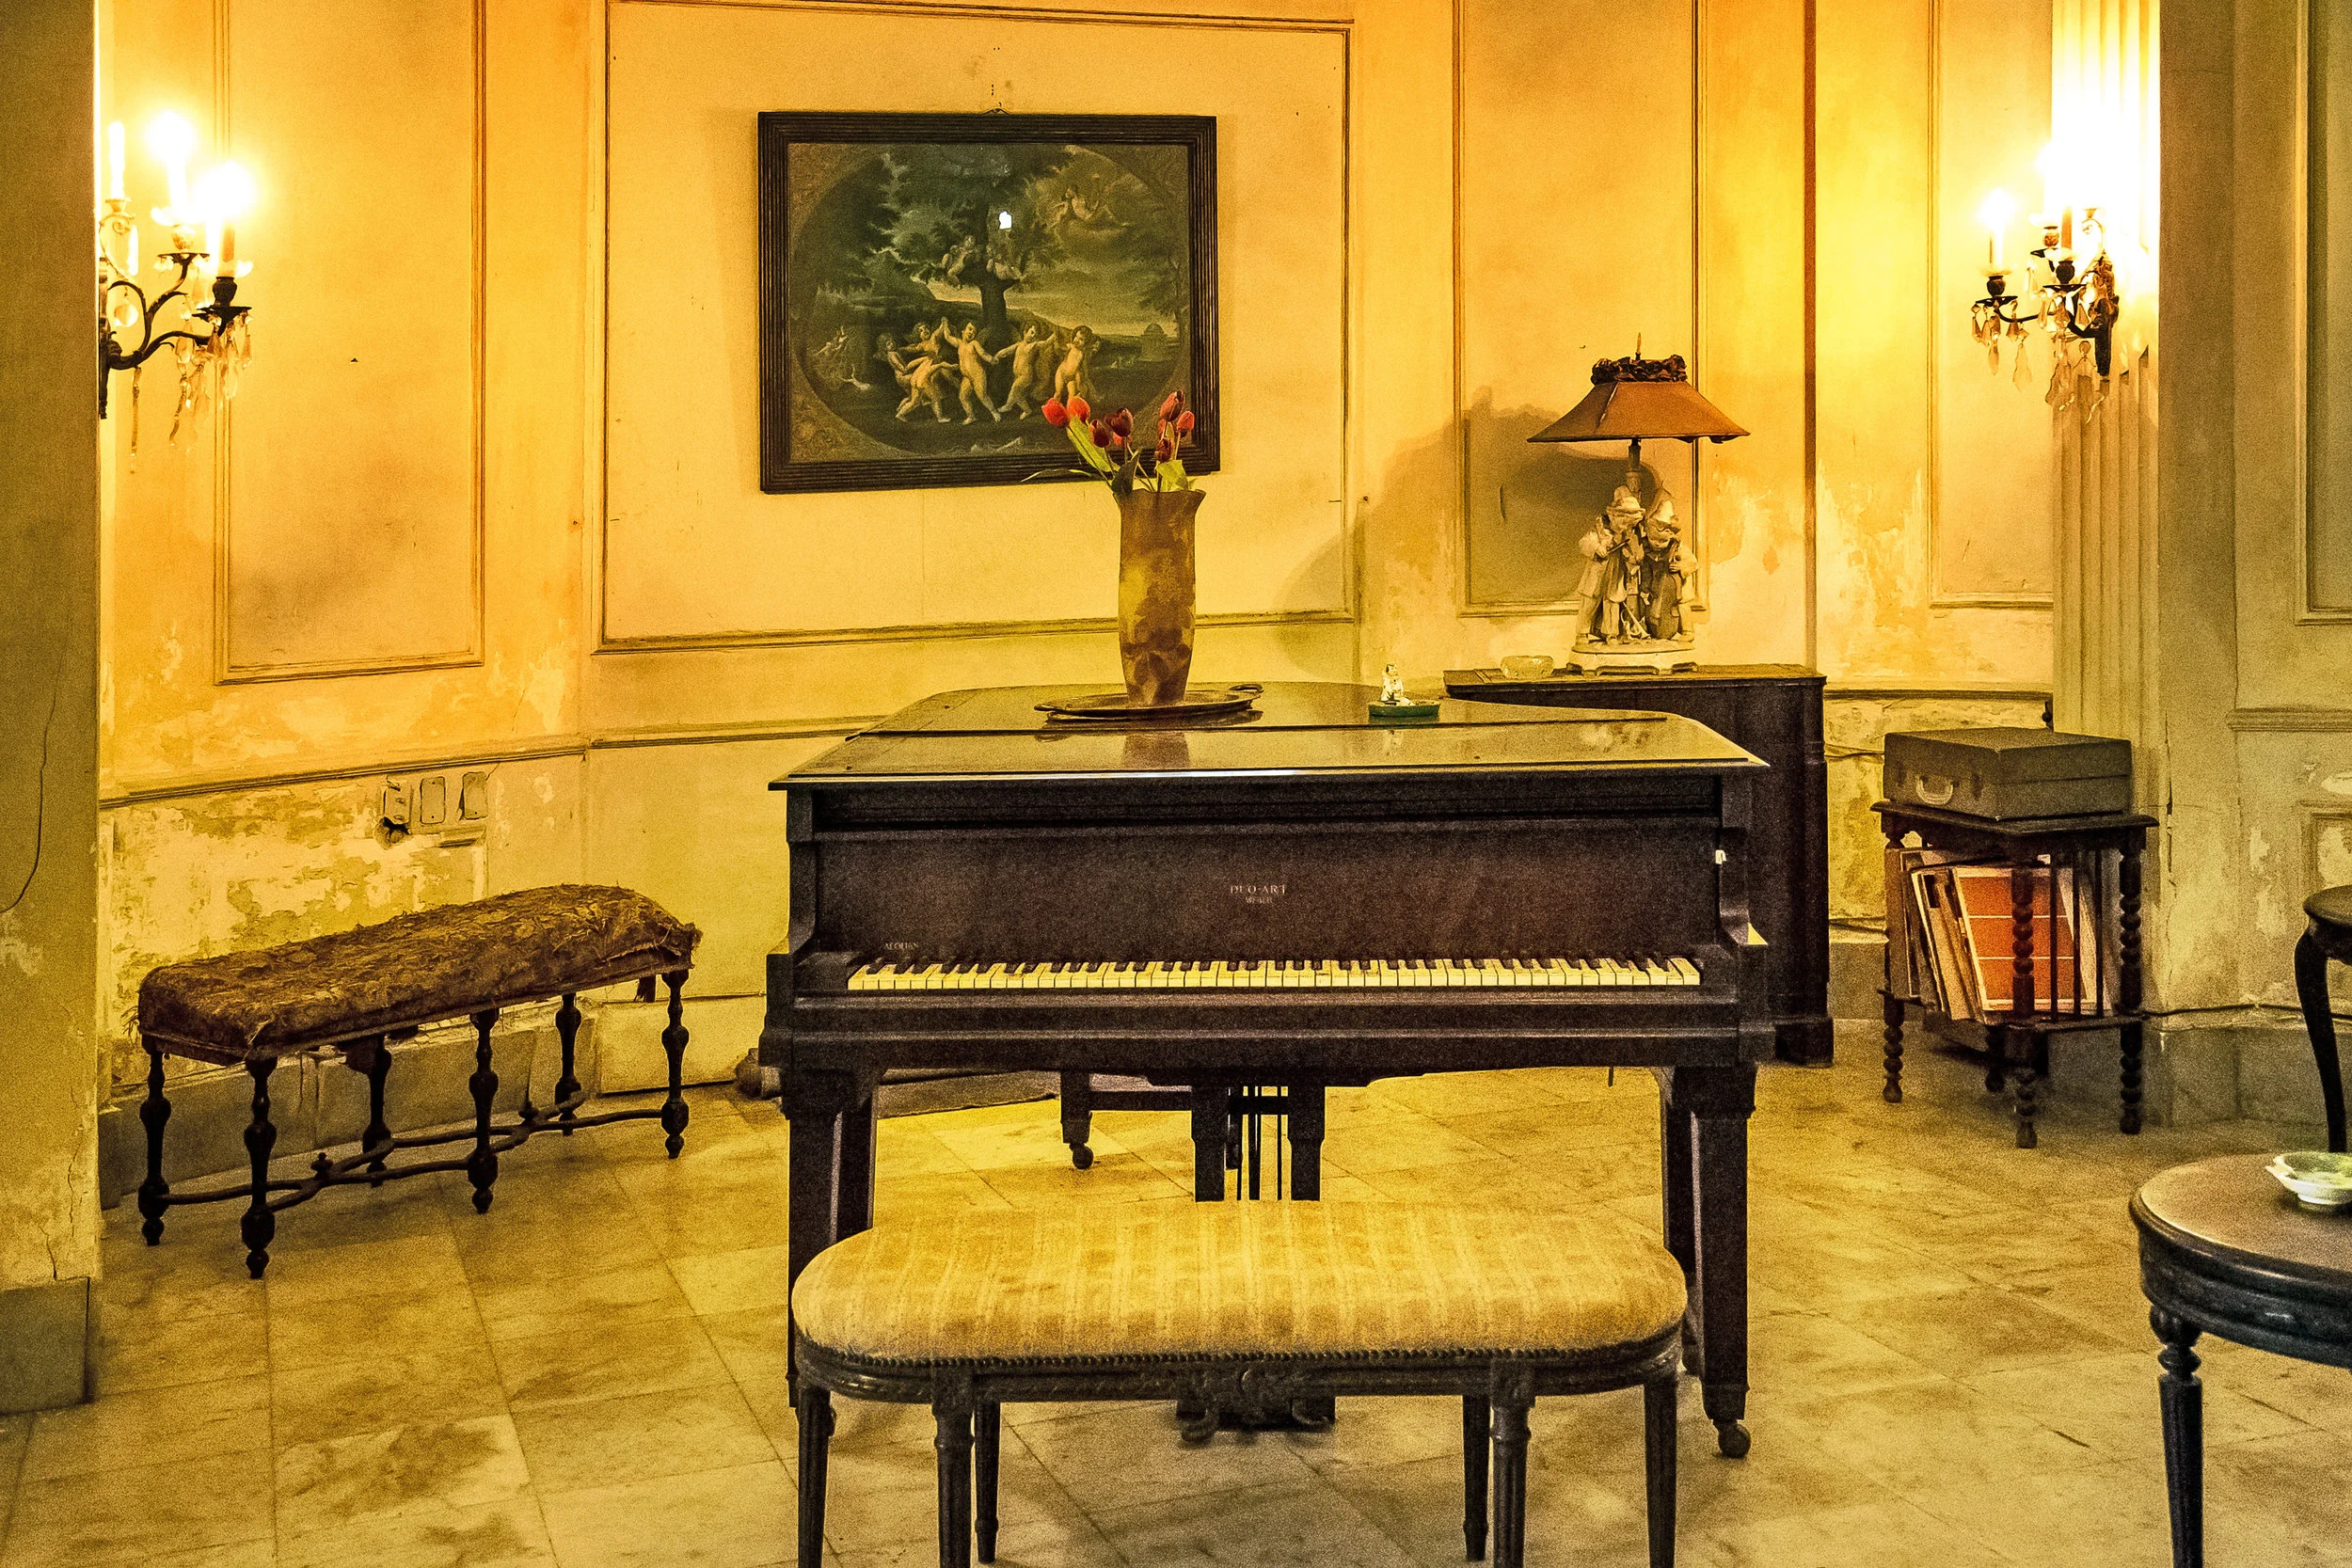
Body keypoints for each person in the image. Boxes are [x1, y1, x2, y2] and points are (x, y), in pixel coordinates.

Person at [999, 324, 1056, 420]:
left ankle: (1008, 406)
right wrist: (997, 356)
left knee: (1015, 388)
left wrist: (1055, 334)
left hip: (1026, 375)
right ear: (1025, 332)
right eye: (1032, 332)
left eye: (1035, 335)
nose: (1033, 336)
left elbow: (1046, 342)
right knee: (1018, 395)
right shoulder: (1019, 344)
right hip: (1017, 375)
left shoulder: (1034, 345)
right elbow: (1007, 351)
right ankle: (1027, 410)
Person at [1051, 325, 1100, 408]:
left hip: (1072, 377)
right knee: (1058, 393)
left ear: (1086, 342)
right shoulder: (1071, 346)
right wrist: (1056, 344)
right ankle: (1053, 410)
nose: (1076, 340)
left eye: (1081, 339)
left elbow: (1083, 368)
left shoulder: (1082, 353)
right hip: (1061, 372)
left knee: (1072, 397)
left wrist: (1082, 379)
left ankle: (1070, 414)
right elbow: (1061, 348)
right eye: (1076, 337)